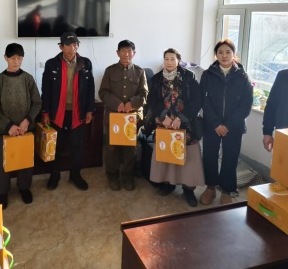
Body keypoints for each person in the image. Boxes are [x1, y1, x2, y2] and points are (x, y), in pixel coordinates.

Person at [145, 48, 203, 206]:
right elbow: (152, 100)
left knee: (189, 157)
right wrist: (164, 117)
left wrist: (179, 118)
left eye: (172, 59)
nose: (169, 62)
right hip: (164, 123)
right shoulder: (156, 78)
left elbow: (197, 100)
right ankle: (168, 184)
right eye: (166, 59)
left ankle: (188, 189)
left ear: (178, 60)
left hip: (185, 124)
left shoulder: (189, 77)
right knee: (166, 153)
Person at [199, 39, 253, 205]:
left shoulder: (243, 76)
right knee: (209, 156)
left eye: (228, 52)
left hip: (234, 126)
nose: (224, 55)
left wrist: (228, 125)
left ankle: (226, 190)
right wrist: (216, 123)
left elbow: (246, 105)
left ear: (234, 55)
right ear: (216, 55)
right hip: (211, 124)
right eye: (220, 52)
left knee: (230, 157)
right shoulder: (208, 75)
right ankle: (210, 188)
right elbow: (204, 100)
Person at [0, 43, 41, 209]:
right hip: (3, 131)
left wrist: (26, 121)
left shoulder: (28, 79)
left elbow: (37, 103)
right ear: (5, 58)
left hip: (25, 129)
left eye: (19, 58)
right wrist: (9, 126)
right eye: (13, 58)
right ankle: (2, 192)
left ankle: (24, 188)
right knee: (1, 163)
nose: (16, 61)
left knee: (25, 161)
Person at [41, 32, 95, 191]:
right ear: (61, 47)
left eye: (76, 44)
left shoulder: (85, 63)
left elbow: (90, 88)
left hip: (78, 112)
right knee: (56, 146)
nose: (73, 48)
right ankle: (55, 174)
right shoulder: (52, 64)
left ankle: (75, 174)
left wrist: (90, 110)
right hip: (58, 113)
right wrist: (45, 113)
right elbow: (46, 90)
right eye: (70, 45)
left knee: (77, 146)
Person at [98, 40, 148, 191]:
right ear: (117, 53)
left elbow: (144, 94)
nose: (126, 54)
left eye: (129, 51)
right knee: (111, 149)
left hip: (131, 118)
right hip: (114, 116)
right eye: (123, 51)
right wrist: (117, 104)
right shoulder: (110, 71)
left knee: (130, 149)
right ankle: (112, 176)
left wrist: (132, 104)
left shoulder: (139, 72)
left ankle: (127, 176)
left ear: (134, 53)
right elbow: (103, 92)